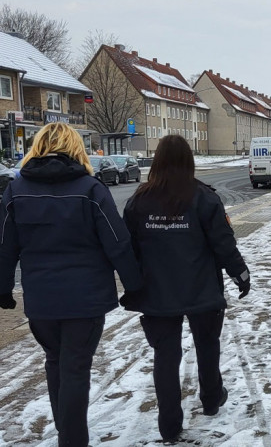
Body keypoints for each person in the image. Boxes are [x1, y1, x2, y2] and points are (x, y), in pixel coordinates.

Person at [0, 122, 142, 447]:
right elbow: (118, 242)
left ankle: (68, 435)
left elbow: (5, 245)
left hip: (41, 301)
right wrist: (134, 284)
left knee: (55, 361)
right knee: (75, 368)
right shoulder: (90, 189)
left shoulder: (15, 190)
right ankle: (73, 441)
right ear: (76, 147)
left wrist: (3, 288)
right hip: (86, 301)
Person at [121, 135, 250, 443]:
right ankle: (210, 398)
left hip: (157, 293)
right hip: (201, 289)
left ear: (157, 161)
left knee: (165, 355)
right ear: (189, 161)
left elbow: (127, 247)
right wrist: (240, 275)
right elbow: (223, 243)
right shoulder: (204, 197)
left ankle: (169, 423)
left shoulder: (139, 200)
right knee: (207, 345)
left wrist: (133, 283)